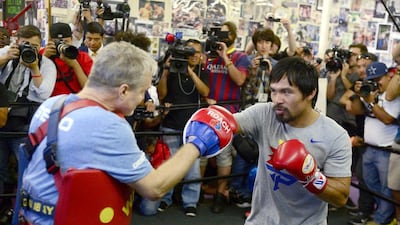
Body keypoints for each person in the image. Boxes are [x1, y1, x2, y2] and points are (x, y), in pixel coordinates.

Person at [19, 41, 236, 224]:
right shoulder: (108, 124)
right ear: (123, 90)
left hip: (30, 217)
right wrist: (196, 143)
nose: (142, 99)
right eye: (141, 91)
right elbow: (154, 187)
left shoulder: (53, 104)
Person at [233, 56, 352, 224]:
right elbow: (228, 123)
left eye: (287, 92)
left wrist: (310, 177)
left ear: (310, 92)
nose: (277, 100)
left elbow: (340, 198)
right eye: (274, 91)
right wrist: (212, 122)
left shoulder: (335, 136)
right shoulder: (265, 114)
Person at [142, 38, 209, 217]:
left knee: (193, 167)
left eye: (196, 52)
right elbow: (162, 95)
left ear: (201, 55)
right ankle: (166, 198)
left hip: (193, 128)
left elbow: (205, 92)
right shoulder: (171, 70)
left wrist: (190, 72)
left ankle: (190, 202)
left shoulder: (203, 71)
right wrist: (166, 71)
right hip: (171, 124)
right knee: (168, 164)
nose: (193, 55)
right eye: (190, 52)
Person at [0, 25, 56, 205]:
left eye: (34, 46)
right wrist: (6, 58)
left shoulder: (46, 64)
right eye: (25, 44)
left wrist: (34, 69)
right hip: (1, 117)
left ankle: (21, 208)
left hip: (24, 121)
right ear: (17, 42)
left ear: (40, 45)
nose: (29, 49)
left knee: (26, 167)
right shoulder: (6, 54)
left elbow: (44, 94)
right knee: (0, 168)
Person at [205, 21, 250, 213]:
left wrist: (225, 57)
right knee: (201, 153)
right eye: (217, 34)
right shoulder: (207, 57)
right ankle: (196, 194)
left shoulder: (240, 57)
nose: (220, 38)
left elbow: (240, 80)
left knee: (223, 154)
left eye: (224, 34)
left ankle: (221, 193)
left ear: (232, 36)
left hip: (228, 111)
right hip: (206, 110)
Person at [348, 61, 399, 225]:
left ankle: (381, 220)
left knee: (387, 189)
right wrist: (358, 95)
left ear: (388, 76)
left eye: (379, 79)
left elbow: (388, 119)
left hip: (386, 149)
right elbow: (355, 110)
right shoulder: (370, 93)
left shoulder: (393, 95)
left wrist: (370, 101)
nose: (376, 83)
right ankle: (383, 214)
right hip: (369, 148)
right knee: (370, 185)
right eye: (372, 79)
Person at [41, 22, 93, 96]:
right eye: (57, 42)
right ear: (50, 41)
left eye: (66, 42)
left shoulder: (83, 57)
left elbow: (89, 89)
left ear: (71, 39)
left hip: (75, 101)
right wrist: (44, 58)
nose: (62, 45)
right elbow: (34, 85)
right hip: (49, 102)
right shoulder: (43, 54)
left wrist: (75, 65)